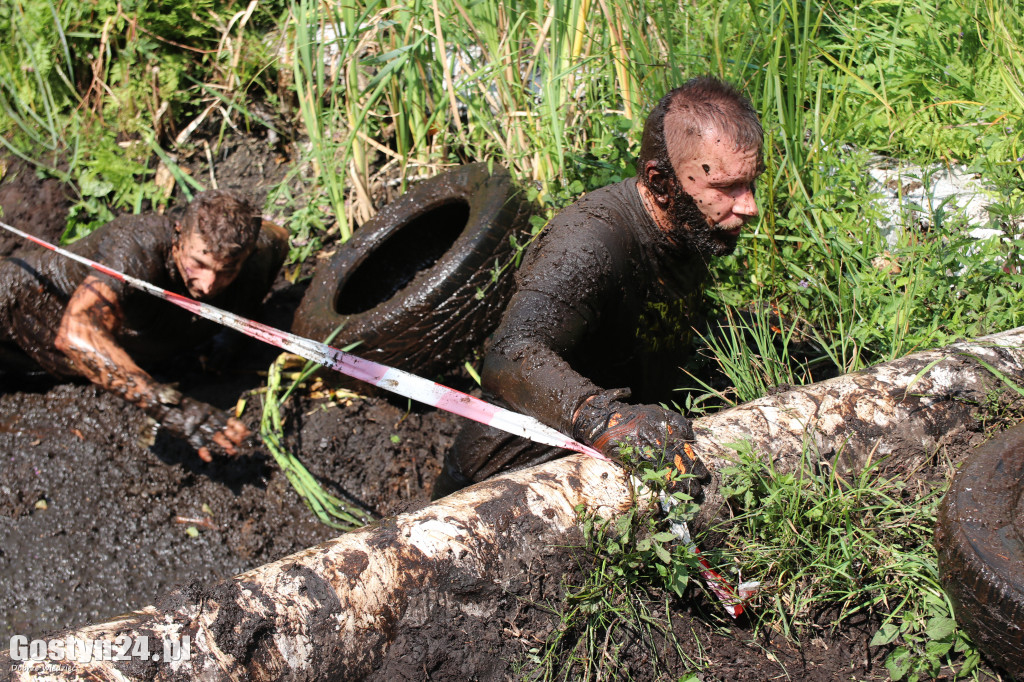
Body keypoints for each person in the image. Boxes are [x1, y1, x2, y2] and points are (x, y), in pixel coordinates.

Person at [434, 76, 763, 498]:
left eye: (750, 182)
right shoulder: (590, 241)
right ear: (660, 182)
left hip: (607, 470)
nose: (749, 205)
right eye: (727, 187)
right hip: (502, 480)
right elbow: (508, 355)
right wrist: (603, 420)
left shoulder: (692, 224)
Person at [0, 189, 289, 462]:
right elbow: (76, 335)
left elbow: (279, 236)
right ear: (178, 237)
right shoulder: (136, 251)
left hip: (98, 354)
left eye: (226, 271)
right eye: (197, 264)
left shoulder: (262, 253)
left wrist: (230, 337)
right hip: (18, 310)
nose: (208, 284)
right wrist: (169, 407)